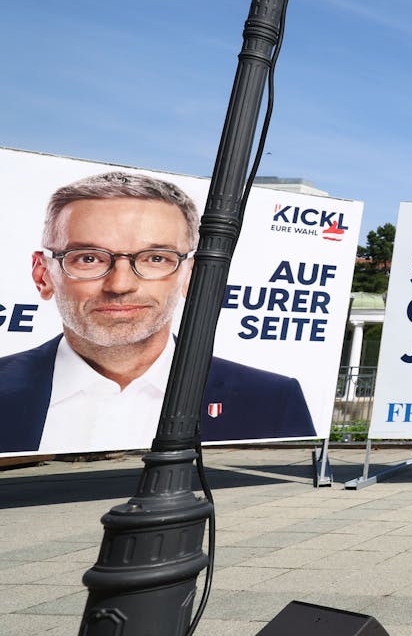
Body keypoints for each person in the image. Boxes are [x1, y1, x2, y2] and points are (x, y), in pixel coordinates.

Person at [0, 171, 316, 454]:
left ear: (189, 277)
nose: (120, 284)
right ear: (43, 275)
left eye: (155, 258)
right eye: (88, 258)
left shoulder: (271, 400)